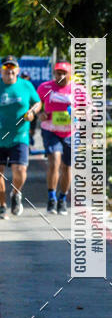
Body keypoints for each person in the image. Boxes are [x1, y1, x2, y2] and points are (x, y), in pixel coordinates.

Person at [0, 56, 42, 217]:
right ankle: (2, 205)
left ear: (17, 70)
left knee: (20, 169)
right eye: (6, 67)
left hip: (20, 136)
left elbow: (37, 102)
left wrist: (32, 111)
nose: (9, 70)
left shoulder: (26, 85)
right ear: (1, 70)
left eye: (12, 67)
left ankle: (16, 194)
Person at [38, 60, 73, 214]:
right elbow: (36, 104)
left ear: (70, 74)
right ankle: (51, 198)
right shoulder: (45, 87)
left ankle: (62, 199)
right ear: (54, 74)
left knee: (67, 167)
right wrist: (40, 114)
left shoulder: (77, 90)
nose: (61, 76)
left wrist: (81, 114)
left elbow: (91, 109)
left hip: (70, 132)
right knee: (54, 161)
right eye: (58, 73)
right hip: (50, 130)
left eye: (64, 73)